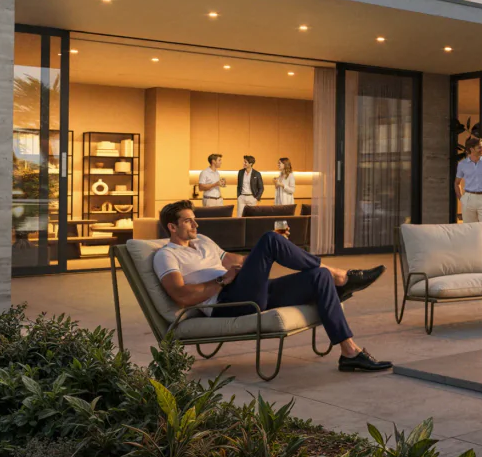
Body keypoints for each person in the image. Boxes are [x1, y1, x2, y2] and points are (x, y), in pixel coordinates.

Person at [152, 200, 389, 373]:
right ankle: (342, 278)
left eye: (194, 218)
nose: (195, 224)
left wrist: (274, 251)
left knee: (319, 275)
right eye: (188, 221)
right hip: (226, 303)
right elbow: (180, 295)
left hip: (248, 290)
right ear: (172, 227)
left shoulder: (203, 242)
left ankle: (349, 352)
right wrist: (222, 281)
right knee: (269, 238)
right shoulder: (166, 255)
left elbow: (239, 261)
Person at [454, 136, 482, 256]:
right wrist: (462, 199)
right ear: (471, 149)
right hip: (468, 198)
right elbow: (457, 183)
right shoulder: (462, 164)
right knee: (469, 231)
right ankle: (471, 259)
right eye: (479, 147)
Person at [272, 157, 296, 233]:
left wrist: (282, 185)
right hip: (278, 202)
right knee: (278, 223)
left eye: (280, 163)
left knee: (286, 223)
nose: (278, 164)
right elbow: (278, 188)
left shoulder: (290, 175)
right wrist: (276, 183)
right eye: (278, 163)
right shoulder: (280, 175)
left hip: (286, 203)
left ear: (285, 164)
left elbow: (292, 190)